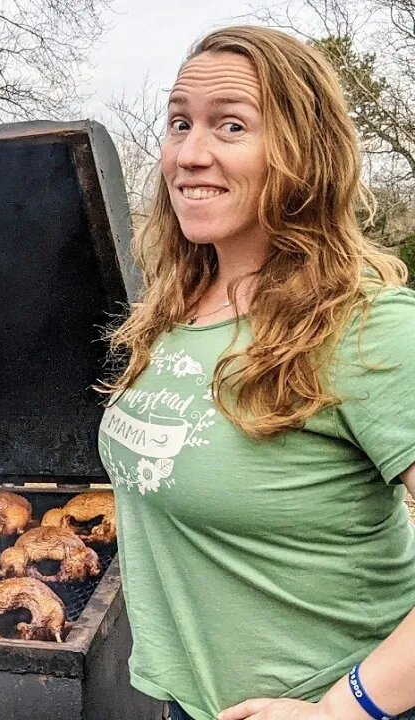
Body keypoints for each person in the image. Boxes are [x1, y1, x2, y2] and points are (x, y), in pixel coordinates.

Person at [99, 26, 415, 720]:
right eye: (179, 122)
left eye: (230, 125)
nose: (189, 153)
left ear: (304, 153)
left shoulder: (369, 327)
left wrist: (344, 710)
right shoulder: (175, 307)